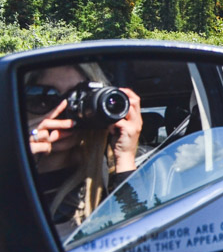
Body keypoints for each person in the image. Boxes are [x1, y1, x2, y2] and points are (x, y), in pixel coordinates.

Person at [24, 63, 142, 234]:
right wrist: (15, 162)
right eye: (45, 98)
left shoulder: (103, 180)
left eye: (77, 99)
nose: (65, 110)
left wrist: (125, 158)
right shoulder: (8, 167)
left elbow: (138, 242)